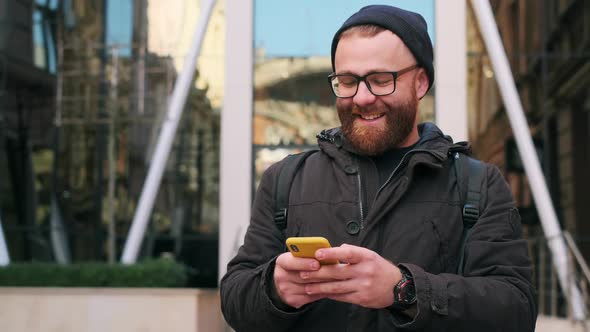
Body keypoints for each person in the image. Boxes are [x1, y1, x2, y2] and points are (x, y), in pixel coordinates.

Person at [220, 4, 536, 331]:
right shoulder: (285, 180)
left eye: (381, 79)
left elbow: (516, 310)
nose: (362, 97)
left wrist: (404, 289)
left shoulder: (477, 184)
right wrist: (274, 288)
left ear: (421, 82)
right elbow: (234, 299)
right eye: (347, 81)